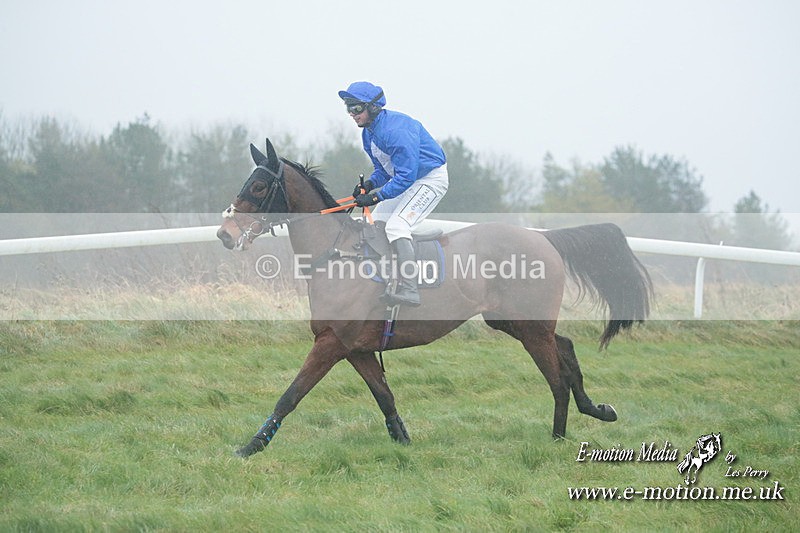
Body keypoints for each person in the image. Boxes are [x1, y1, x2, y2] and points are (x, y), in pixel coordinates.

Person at [338, 81, 448, 307]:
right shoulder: (368, 134)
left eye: (356, 108)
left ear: (374, 107)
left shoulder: (395, 131)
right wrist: (369, 184)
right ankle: (386, 280)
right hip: (409, 179)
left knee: (397, 226)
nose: (351, 113)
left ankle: (410, 289)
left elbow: (405, 176)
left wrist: (376, 197)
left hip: (429, 179)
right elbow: (385, 170)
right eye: (348, 107)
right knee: (376, 223)